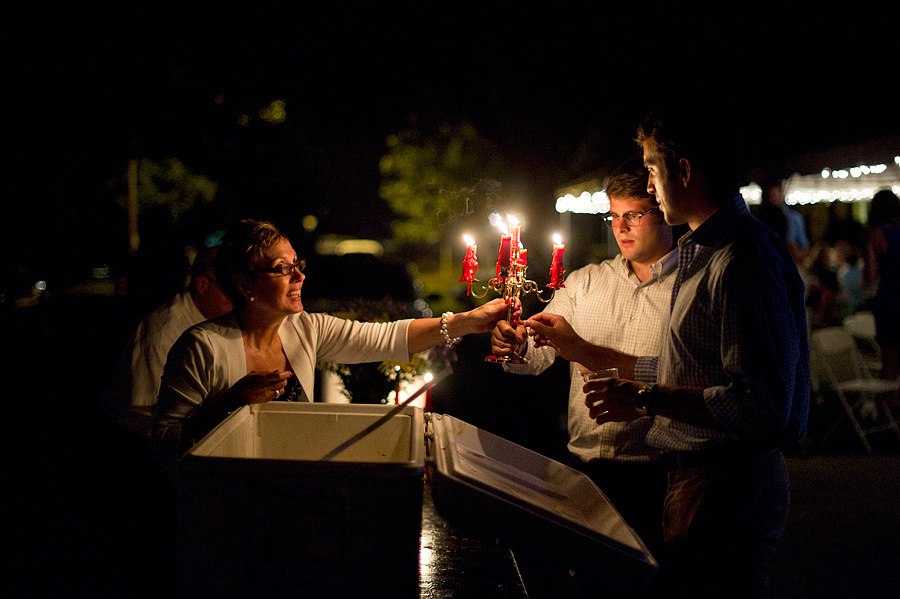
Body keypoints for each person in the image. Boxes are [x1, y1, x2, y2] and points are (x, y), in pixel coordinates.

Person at [524, 103, 810, 598]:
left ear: (684, 170)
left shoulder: (739, 258)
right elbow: (694, 370)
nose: (650, 185)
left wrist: (644, 398)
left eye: (653, 170)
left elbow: (760, 404)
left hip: (725, 485)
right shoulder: (704, 251)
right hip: (694, 484)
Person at [151, 219, 508, 476]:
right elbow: (165, 442)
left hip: (294, 491)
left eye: (298, 265)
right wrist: (231, 404)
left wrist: (467, 321)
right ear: (245, 283)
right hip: (224, 505)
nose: (299, 276)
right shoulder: (201, 347)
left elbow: (387, 338)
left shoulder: (305, 328)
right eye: (282, 268)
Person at [490, 158, 677, 556]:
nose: (620, 227)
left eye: (633, 215)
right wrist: (517, 344)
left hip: (656, 473)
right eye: (613, 216)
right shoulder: (586, 281)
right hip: (582, 467)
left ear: (664, 213)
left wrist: (584, 350)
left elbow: (686, 375)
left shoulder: (689, 288)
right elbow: (539, 355)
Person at [103, 245, 234, 439]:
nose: (240, 296)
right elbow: (147, 410)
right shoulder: (164, 330)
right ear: (203, 285)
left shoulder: (219, 322)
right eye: (229, 288)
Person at [864, 189, 900, 381]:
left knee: (889, 364)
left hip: (888, 303)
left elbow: (870, 277)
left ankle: (885, 408)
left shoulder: (877, 235)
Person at [761, 179, 809, 266]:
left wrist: (794, 252)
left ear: (780, 195)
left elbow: (804, 247)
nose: (772, 199)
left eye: (774, 195)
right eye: (769, 197)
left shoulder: (794, 217)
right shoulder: (761, 218)